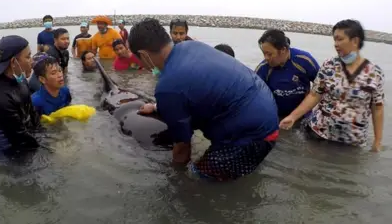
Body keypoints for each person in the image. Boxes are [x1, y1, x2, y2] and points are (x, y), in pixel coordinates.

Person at [128, 18, 279, 181]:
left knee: (198, 177)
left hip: (253, 137)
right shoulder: (191, 46)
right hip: (269, 112)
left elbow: (182, 148)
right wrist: (159, 107)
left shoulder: (167, 87)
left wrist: (174, 178)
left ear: (143, 54)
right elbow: (201, 90)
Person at [280, 20, 385, 152]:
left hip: (352, 142)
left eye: (340, 39)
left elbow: (378, 108)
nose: (335, 44)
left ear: (355, 41)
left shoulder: (374, 73)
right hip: (318, 133)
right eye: (334, 40)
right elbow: (314, 95)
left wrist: (377, 141)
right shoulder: (329, 65)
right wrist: (293, 116)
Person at [0, 35, 42, 160]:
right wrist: (49, 148)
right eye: (28, 56)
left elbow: (31, 113)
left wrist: (43, 131)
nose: (32, 60)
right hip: (3, 151)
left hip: (21, 137)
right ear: (14, 62)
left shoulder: (19, 79)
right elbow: (19, 136)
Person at [255, 29, 319, 118]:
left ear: (283, 50)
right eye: (264, 53)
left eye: (269, 54)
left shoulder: (304, 61)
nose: (266, 58)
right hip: (276, 116)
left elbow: (322, 86)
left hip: (303, 114)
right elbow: (254, 97)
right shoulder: (262, 69)